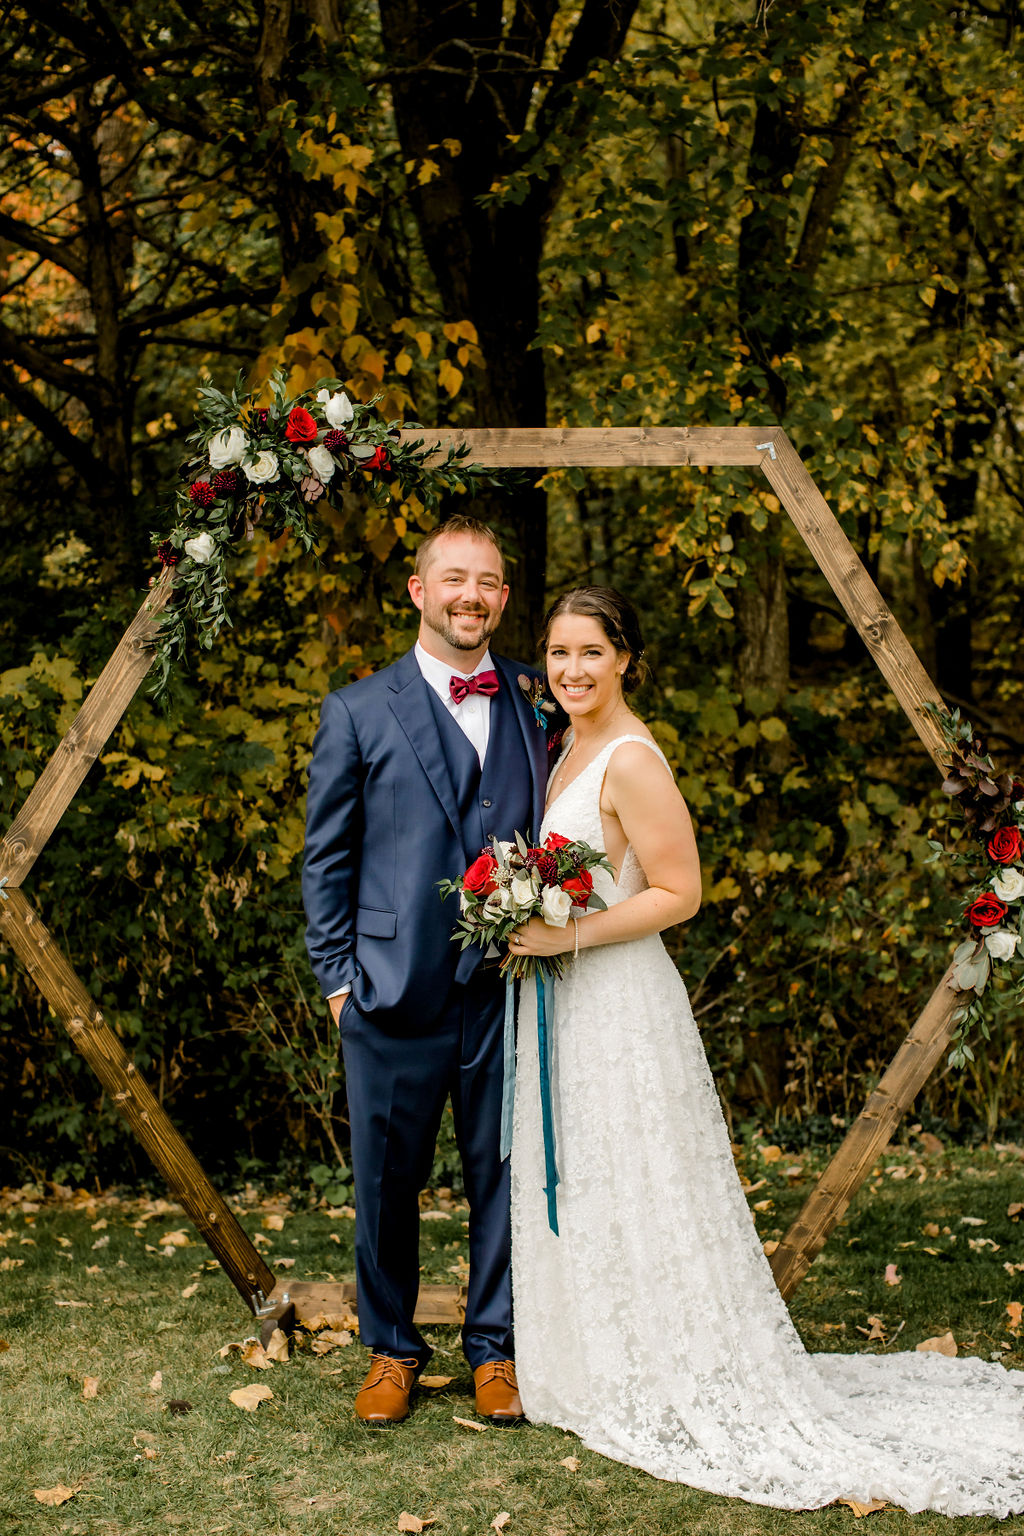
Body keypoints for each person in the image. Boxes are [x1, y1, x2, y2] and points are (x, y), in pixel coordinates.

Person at [507, 585, 1024, 1516]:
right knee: (591, 1178)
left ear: (625, 656)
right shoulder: (567, 748)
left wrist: (565, 937)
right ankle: (600, 1362)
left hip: (617, 999)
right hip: (566, 1003)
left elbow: (681, 891)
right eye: (557, 653)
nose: (572, 669)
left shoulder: (630, 758)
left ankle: (664, 1371)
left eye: (591, 651)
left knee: (640, 1175)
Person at [301, 515, 551, 1426]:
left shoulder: (537, 697)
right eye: (454, 579)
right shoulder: (358, 709)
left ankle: (496, 1349)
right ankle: (392, 1348)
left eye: (486, 581)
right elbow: (326, 857)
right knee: (384, 1180)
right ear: (419, 591)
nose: (470, 596)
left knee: (503, 1173)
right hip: (387, 990)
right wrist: (338, 980)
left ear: (503, 598)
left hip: (511, 986)